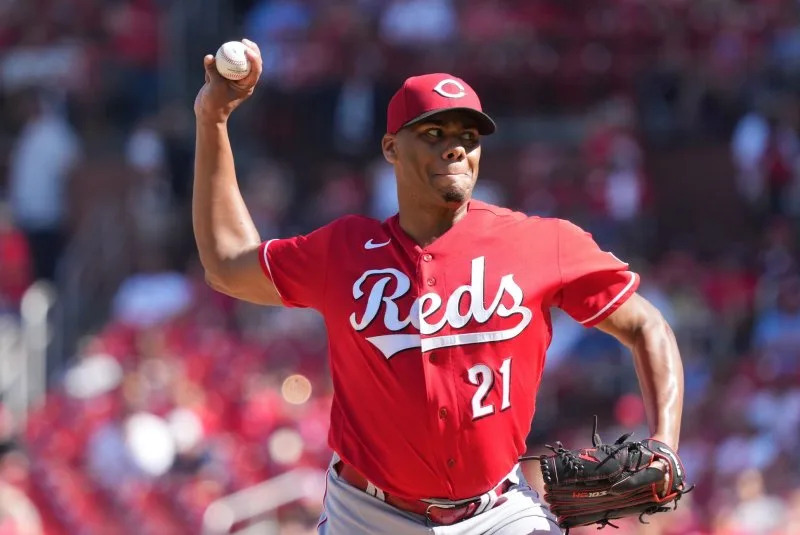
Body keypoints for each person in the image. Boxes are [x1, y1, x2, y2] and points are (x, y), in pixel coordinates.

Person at [193, 39, 685, 535]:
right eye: (433, 132)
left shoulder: (540, 242)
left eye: (469, 136)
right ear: (391, 148)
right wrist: (213, 119)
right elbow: (227, 265)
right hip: (368, 515)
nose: (456, 146)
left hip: (497, 511)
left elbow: (645, 323)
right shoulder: (342, 251)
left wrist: (664, 442)